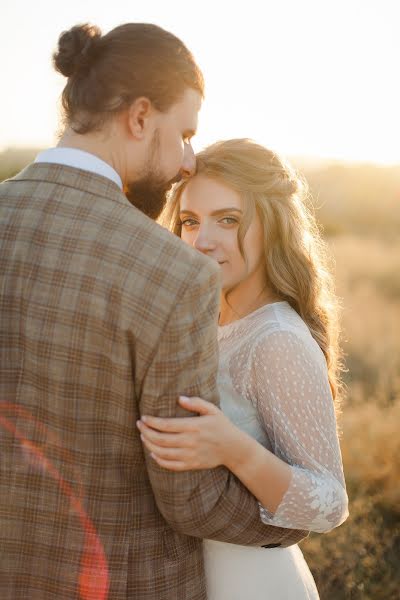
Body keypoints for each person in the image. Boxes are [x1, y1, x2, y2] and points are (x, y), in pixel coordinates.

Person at [0, 25, 308, 600]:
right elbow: (188, 498)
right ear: (140, 117)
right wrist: (296, 513)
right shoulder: (174, 274)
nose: (189, 160)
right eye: (185, 133)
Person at [138, 138, 349, 599]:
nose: (202, 240)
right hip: (195, 578)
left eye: (228, 220)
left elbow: (329, 503)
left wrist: (232, 449)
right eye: (191, 221)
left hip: (253, 583)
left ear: (272, 227)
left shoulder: (275, 339)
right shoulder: (204, 321)